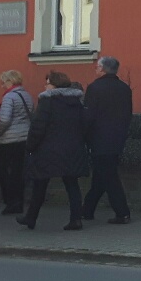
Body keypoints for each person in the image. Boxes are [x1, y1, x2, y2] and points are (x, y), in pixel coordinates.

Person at [20, 71, 90, 231]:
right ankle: (76, 219)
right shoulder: (76, 102)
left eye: (47, 83)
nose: (45, 86)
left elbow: (38, 127)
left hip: (48, 150)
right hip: (72, 148)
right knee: (72, 184)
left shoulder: (47, 102)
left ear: (54, 85)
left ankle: (31, 217)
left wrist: (30, 146)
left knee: (40, 183)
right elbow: (85, 125)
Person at [82, 55, 133, 224]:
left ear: (103, 69)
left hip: (99, 138)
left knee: (109, 177)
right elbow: (128, 115)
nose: (95, 69)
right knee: (101, 175)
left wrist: (84, 136)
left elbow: (89, 116)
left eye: (97, 67)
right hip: (117, 137)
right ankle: (87, 209)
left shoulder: (95, 88)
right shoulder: (124, 88)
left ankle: (122, 212)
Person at [0, 70, 34, 216]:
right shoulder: (26, 95)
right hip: (25, 137)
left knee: (2, 170)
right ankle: (19, 202)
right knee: (18, 172)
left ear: (10, 81)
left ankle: (11, 202)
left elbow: (4, 120)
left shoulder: (9, 97)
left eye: (3, 82)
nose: (2, 85)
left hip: (9, 139)